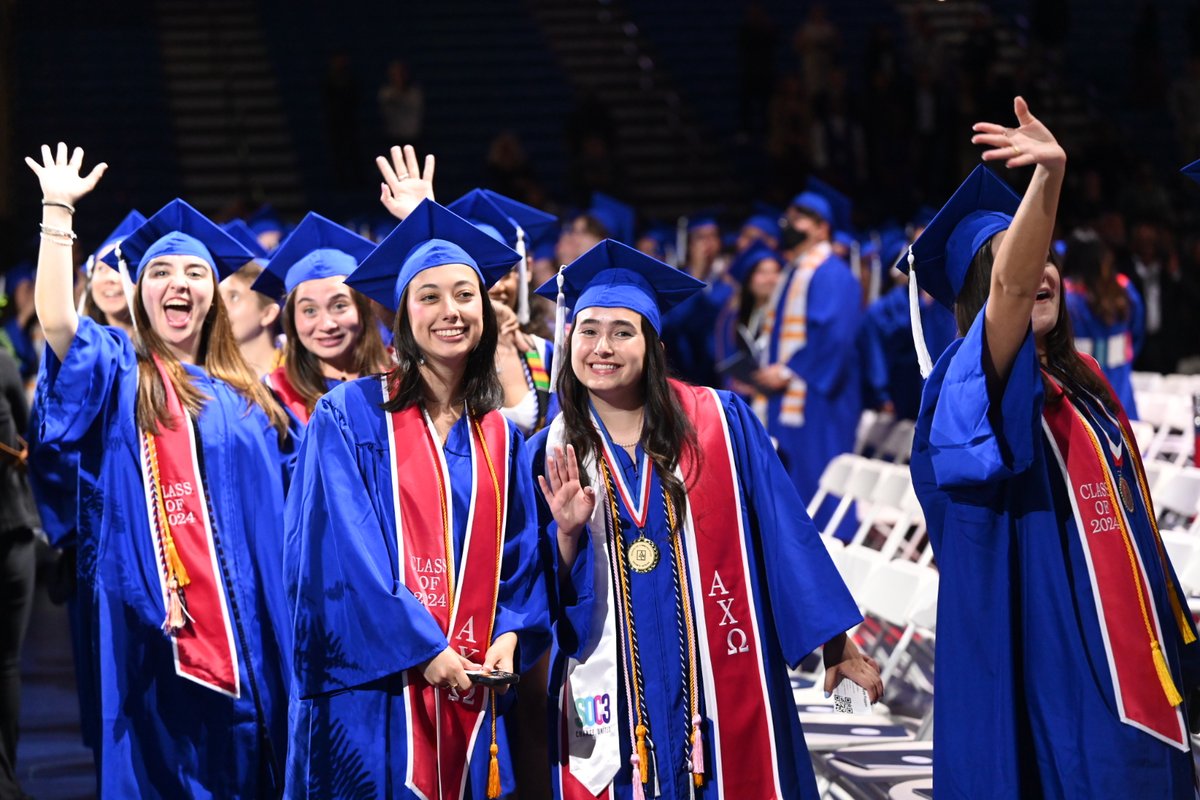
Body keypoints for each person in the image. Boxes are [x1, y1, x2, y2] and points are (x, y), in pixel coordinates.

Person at [905, 99, 1198, 798]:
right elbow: (1010, 290)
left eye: (1043, 255)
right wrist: (1049, 179)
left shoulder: (1083, 378)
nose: (1037, 271)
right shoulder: (971, 380)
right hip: (1049, 638)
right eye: (1010, 258)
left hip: (1127, 643)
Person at [530, 239, 881, 800]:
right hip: (611, 699)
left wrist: (836, 645)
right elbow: (534, 584)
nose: (602, 347)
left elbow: (783, 533)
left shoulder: (718, 421)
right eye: (588, 330)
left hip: (718, 687)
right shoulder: (549, 450)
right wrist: (567, 533)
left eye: (623, 331)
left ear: (653, 343)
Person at [25, 144, 293, 797]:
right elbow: (59, 321)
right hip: (158, 630)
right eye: (161, 271)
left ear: (214, 295)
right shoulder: (120, 371)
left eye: (195, 272)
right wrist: (57, 210)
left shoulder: (250, 399)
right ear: (140, 293)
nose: (179, 283)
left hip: (249, 633)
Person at [283, 198, 549, 799]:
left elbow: (521, 554)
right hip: (374, 691)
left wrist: (509, 633)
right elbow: (345, 554)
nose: (450, 311)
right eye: (429, 297)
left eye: (464, 294)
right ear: (402, 315)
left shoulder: (500, 434)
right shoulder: (348, 415)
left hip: (470, 687)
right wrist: (424, 648)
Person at [752, 190, 862, 505]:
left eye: (798, 218)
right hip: (792, 396)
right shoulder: (797, 272)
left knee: (819, 485)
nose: (788, 224)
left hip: (818, 400)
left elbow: (835, 338)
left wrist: (788, 371)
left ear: (821, 227)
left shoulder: (831, 274)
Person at [253, 212, 389, 426]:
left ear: (362, 309)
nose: (327, 324)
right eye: (309, 310)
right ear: (291, 321)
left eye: (339, 306)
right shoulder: (273, 397)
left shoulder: (400, 378)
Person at [449, 189, 560, 438]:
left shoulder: (542, 354)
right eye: (481, 277)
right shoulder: (448, 354)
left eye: (504, 274)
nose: (496, 287)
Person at [0, 349, 38, 800]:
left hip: (10, 531)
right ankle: (5, 779)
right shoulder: (2, 361)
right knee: (5, 662)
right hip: (10, 526)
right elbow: (30, 431)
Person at [1062, 230, 1144, 418]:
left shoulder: (1062, 298)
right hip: (1121, 397)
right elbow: (1137, 335)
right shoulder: (1124, 289)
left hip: (1081, 400)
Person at [714, 242, 783, 399]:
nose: (770, 279)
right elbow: (726, 359)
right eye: (762, 272)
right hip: (743, 398)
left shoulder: (790, 316)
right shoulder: (731, 317)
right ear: (749, 279)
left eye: (776, 272)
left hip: (778, 397)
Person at [220, 219, 283, 379]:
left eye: (233, 297)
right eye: (218, 298)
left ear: (268, 313)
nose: (220, 307)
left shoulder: (300, 383)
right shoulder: (209, 385)